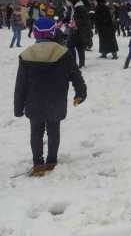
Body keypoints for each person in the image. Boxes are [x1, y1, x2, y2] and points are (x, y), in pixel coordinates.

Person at [13, 17, 87, 176]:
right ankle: (52, 161)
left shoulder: (26, 55)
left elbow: (20, 85)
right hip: (56, 100)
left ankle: (38, 164)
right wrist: (80, 92)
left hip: (34, 102)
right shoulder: (64, 53)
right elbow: (75, 75)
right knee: (54, 131)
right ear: (53, 32)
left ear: (35, 34)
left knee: (36, 132)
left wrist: (18, 108)